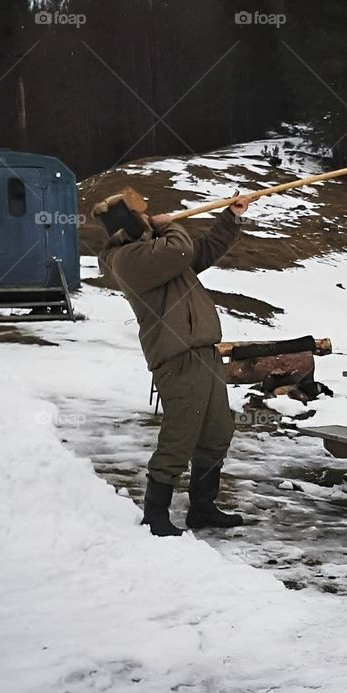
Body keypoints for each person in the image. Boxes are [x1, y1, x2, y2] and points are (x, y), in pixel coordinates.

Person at [95, 187, 252, 537]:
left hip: (205, 353)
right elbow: (181, 249)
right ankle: (155, 514)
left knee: (216, 433)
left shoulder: (160, 256)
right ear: (129, 226)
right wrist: (167, 225)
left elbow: (201, 251)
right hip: (178, 358)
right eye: (141, 217)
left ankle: (202, 508)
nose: (148, 219)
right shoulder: (129, 260)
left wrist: (231, 217)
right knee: (180, 434)